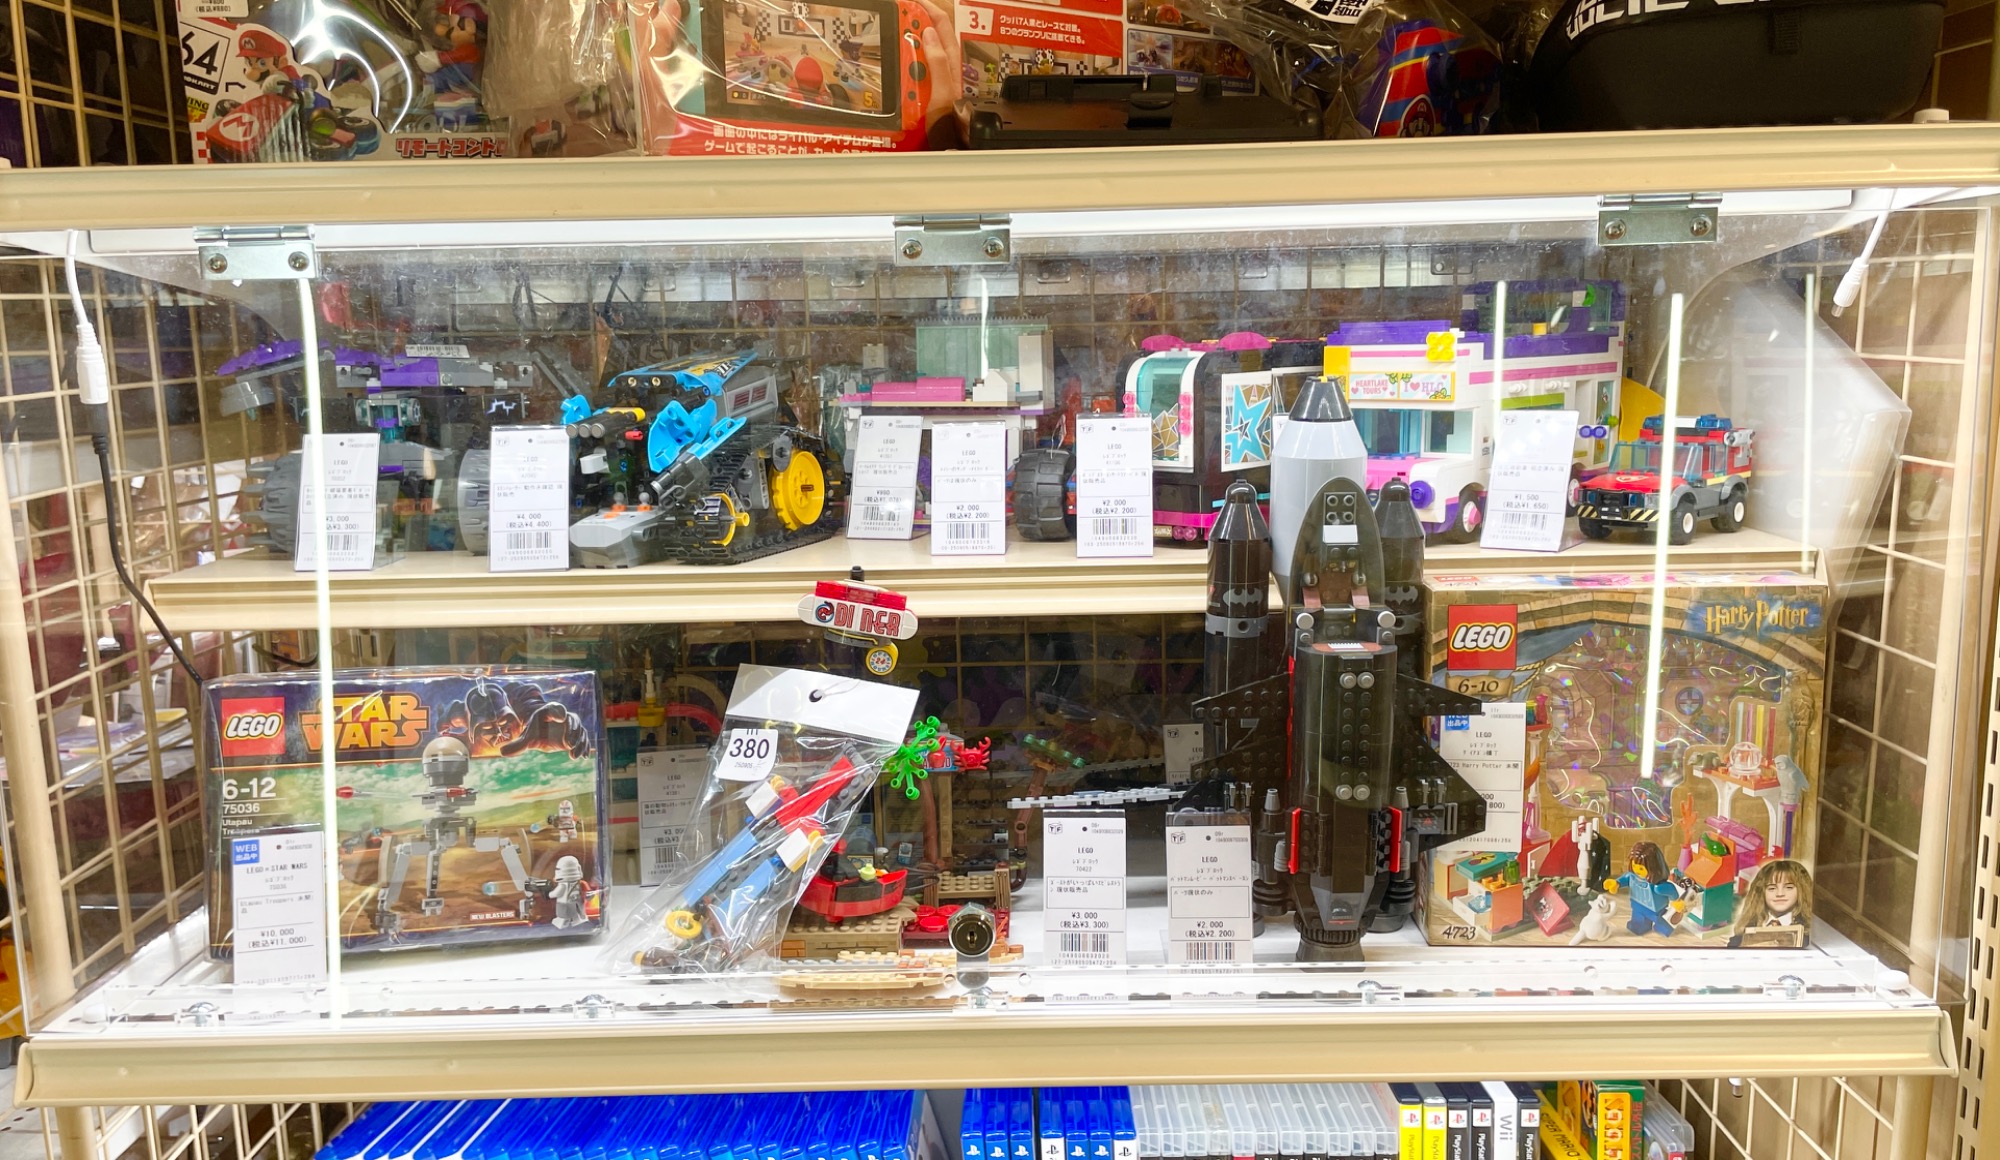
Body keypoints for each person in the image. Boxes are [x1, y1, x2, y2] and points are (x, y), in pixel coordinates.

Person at [1728, 859, 1814, 947]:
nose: (1780, 894)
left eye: (1788, 887)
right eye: (1772, 888)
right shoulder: (1745, 930)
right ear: (1761, 892)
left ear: (1802, 890)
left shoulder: (1812, 934)